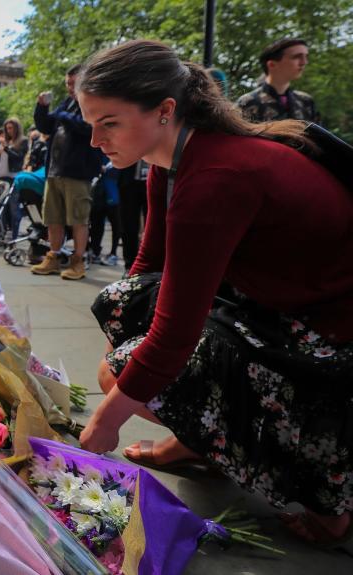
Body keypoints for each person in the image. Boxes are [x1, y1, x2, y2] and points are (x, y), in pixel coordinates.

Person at [74, 39, 353, 546]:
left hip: (330, 336)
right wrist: (126, 346)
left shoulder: (216, 176)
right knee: (124, 318)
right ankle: (201, 440)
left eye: (108, 122)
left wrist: (104, 422)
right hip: (277, 303)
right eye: (89, 121)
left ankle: (327, 504)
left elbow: (175, 331)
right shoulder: (172, 157)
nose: (94, 139)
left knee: (118, 376)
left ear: (165, 111)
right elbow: (147, 270)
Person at [30, 63, 104, 280]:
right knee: (53, 219)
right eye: (68, 84)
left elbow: (87, 128)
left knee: (78, 219)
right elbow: (46, 126)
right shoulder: (68, 103)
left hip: (77, 173)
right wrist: (41, 107)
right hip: (55, 171)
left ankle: (78, 261)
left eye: (74, 83)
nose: (70, 87)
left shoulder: (93, 103)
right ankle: (53, 257)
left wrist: (62, 115)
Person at [237, 38, 318, 123]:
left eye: (306, 56)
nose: (304, 62)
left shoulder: (306, 101)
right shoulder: (248, 102)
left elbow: (319, 135)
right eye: (296, 57)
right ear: (272, 64)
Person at [87, 160, 121, 266]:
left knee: (116, 225)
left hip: (115, 193)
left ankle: (113, 253)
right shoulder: (99, 151)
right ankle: (95, 251)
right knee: (96, 224)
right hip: (99, 194)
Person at [117, 160, 148, 272]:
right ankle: (129, 267)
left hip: (156, 179)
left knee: (155, 227)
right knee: (128, 226)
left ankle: (154, 266)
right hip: (128, 180)